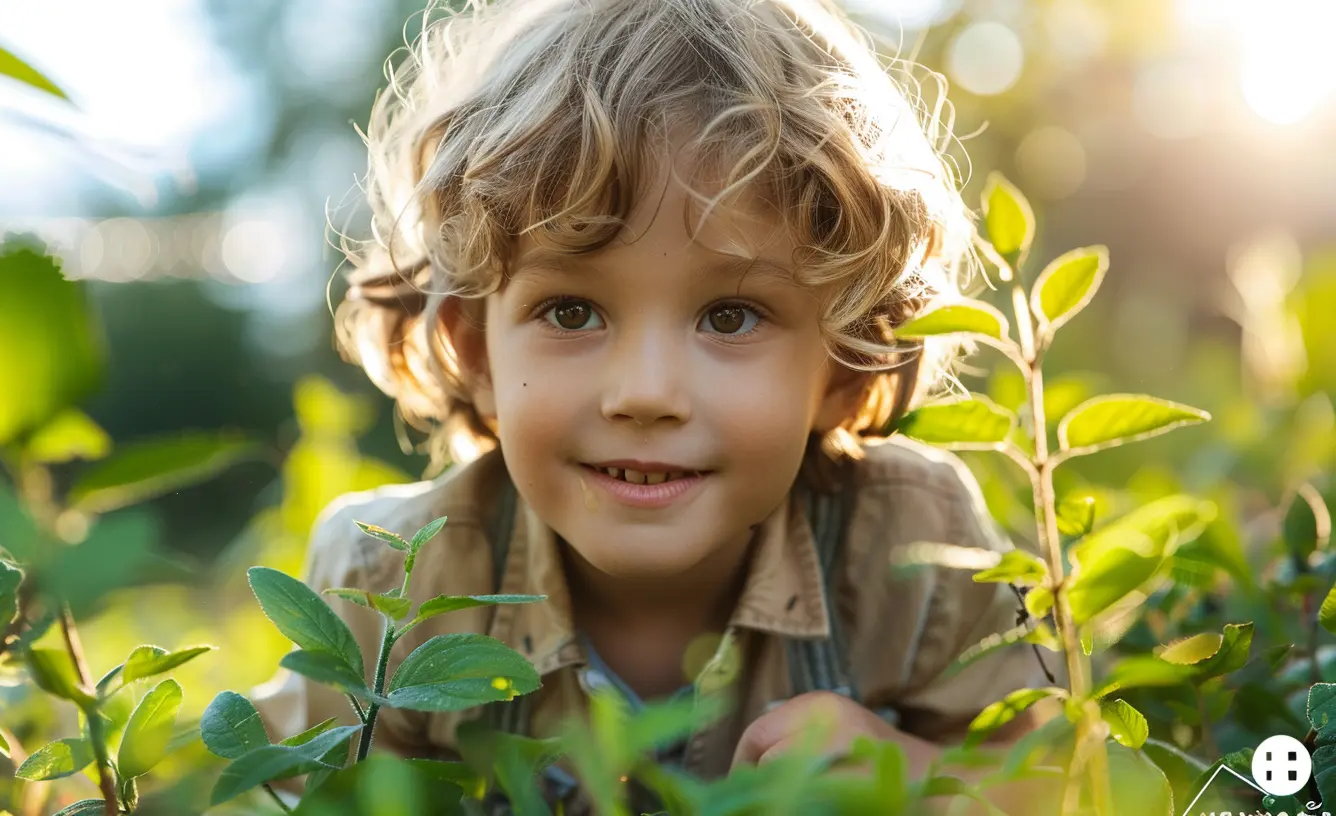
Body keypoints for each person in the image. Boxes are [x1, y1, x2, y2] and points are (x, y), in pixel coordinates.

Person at [253, 0, 1057, 810]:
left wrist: (913, 779)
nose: (645, 392)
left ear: (845, 363)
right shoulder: (387, 588)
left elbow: (1055, 779)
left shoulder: (912, 549)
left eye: (730, 316)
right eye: (572, 311)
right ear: (475, 350)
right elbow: (305, 793)